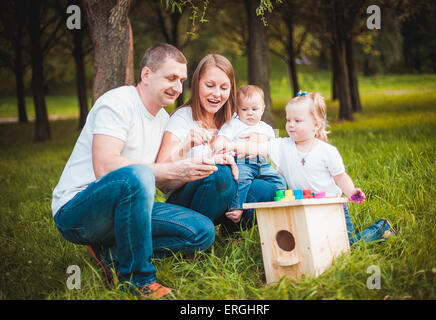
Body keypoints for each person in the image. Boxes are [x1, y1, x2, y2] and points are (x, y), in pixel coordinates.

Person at [51, 44, 222, 299]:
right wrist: (166, 169)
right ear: (146, 75)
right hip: (78, 212)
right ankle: (138, 280)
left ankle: (113, 255)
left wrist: (189, 169)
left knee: (202, 231)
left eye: (182, 80)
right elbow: (105, 166)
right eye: (171, 77)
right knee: (138, 174)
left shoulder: (164, 119)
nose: (177, 87)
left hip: (128, 211)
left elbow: (163, 183)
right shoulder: (118, 102)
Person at [223, 91, 397, 246]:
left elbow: (340, 177)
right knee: (312, 245)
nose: (291, 124)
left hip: (331, 207)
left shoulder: (326, 152)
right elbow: (256, 149)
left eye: (297, 121)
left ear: (315, 125)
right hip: (304, 206)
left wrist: (351, 192)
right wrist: (231, 145)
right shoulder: (283, 146)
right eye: (288, 120)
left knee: (345, 245)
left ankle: (380, 228)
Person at [156, 54, 277, 235]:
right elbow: (161, 179)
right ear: (197, 84)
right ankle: (193, 236)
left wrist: (260, 141)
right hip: (186, 200)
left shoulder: (234, 120)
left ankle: (229, 234)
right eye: (210, 85)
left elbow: (266, 148)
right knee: (220, 172)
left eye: (224, 87)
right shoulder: (182, 119)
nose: (217, 94)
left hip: (222, 194)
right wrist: (187, 148)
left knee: (267, 189)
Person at [213, 85, 286, 223]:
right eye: (244, 109)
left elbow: (274, 147)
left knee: (279, 180)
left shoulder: (266, 128)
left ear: (263, 109)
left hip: (262, 163)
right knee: (242, 181)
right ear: (237, 109)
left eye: (254, 109)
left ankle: (280, 206)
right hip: (243, 163)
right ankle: (236, 208)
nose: (250, 113)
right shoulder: (233, 124)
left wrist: (279, 165)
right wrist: (221, 145)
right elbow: (223, 138)